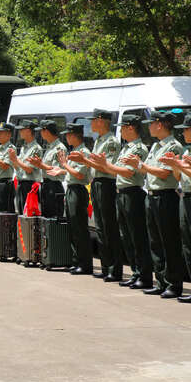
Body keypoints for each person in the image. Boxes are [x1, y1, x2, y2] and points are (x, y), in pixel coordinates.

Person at [123, 110, 185, 298]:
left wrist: (140, 166)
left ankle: (174, 284)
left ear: (159, 124)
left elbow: (164, 173)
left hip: (166, 196)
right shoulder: (157, 146)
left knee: (169, 241)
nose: (148, 127)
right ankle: (161, 281)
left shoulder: (173, 146)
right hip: (151, 195)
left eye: (151, 123)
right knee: (155, 241)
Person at [90, 114, 152, 289]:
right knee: (127, 237)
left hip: (133, 193)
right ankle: (135, 273)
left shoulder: (138, 148)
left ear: (131, 128)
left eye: (123, 127)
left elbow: (127, 172)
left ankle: (144, 275)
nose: (121, 131)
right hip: (122, 192)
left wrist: (104, 164)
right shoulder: (126, 148)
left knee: (137, 236)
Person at [69, 109, 123, 281]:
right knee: (100, 227)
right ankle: (107, 266)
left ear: (101, 121)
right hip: (97, 183)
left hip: (107, 184)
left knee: (109, 227)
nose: (91, 124)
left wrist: (84, 161)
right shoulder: (99, 140)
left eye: (93, 120)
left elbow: (108, 167)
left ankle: (114, 269)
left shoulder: (111, 141)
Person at [47, 123, 93, 275]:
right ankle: (76, 261)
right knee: (73, 228)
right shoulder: (75, 151)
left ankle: (85, 264)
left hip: (79, 190)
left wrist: (65, 165)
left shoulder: (83, 152)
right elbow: (72, 173)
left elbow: (80, 175)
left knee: (80, 228)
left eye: (68, 134)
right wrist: (62, 169)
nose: (66, 137)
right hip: (72, 189)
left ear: (74, 135)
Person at [167, 115, 191, 304]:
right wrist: (176, 166)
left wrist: (179, 165)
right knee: (188, 246)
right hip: (185, 197)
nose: (183, 132)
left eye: (186, 129)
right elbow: (179, 177)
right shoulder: (190, 150)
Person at [29, 120, 67, 218]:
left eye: (41, 131)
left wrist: (40, 165)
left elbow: (56, 170)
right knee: (46, 218)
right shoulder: (49, 147)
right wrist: (39, 164)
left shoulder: (59, 148)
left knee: (54, 219)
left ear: (46, 131)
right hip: (46, 186)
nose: (40, 134)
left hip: (54, 187)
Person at [8, 120, 43, 215]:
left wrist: (15, 159)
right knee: (20, 213)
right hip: (21, 184)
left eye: (21, 130)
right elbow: (18, 168)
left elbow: (29, 169)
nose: (19, 132)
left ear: (28, 131)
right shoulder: (24, 147)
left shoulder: (36, 148)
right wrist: (13, 160)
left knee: (29, 215)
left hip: (30, 185)